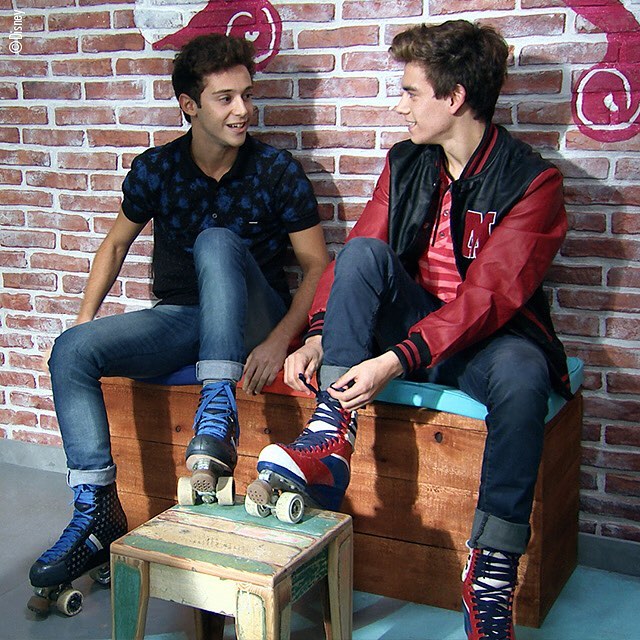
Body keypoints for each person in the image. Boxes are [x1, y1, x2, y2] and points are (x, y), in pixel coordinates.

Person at [252, 20, 571, 640]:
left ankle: (491, 576)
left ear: (455, 97)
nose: (400, 106)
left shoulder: (534, 183)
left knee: (524, 374)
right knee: (362, 255)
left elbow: (488, 298)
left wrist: (396, 359)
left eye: (410, 92)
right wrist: (319, 334)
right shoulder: (405, 163)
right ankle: (330, 438)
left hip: (487, 342)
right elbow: (360, 254)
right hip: (412, 326)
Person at [28, 33, 329, 599]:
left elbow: (317, 266)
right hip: (186, 318)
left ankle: (217, 414)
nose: (242, 110)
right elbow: (115, 244)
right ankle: (96, 513)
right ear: (189, 105)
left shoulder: (275, 169)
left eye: (247, 95)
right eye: (225, 98)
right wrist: (84, 321)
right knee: (71, 350)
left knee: (215, 240)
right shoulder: (157, 168)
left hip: (254, 321)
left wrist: (278, 342)